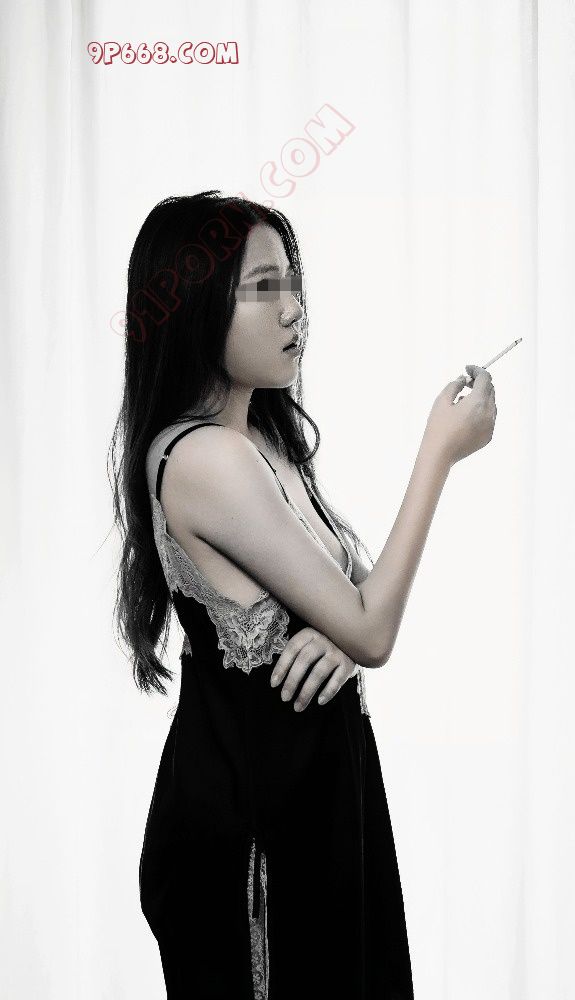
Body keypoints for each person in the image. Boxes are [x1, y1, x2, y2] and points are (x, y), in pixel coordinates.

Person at [109, 190, 497, 999]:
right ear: (196, 302)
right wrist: (439, 450)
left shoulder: (261, 436)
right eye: (263, 288)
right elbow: (372, 627)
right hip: (252, 830)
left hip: (319, 803)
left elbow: (346, 603)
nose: (293, 310)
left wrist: (333, 634)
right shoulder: (204, 458)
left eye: (292, 283)